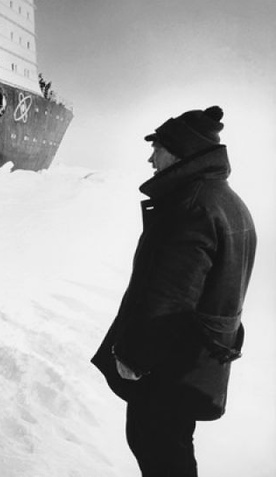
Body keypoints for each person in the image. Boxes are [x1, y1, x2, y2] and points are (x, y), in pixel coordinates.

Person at [91, 106, 257, 477]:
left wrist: (134, 357)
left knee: (157, 446)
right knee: (173, 448)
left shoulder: (191, 207)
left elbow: (169, 296)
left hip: (171, 364)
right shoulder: (225, 201)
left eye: (158, 148)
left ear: (180, 151)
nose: (151, 157)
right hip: (197, 362)